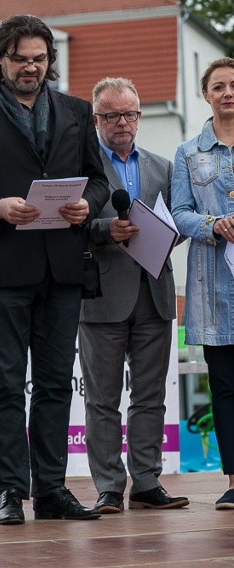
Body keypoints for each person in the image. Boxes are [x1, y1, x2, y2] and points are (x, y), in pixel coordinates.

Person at [0, 14, 109, 525]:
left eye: (39, 59)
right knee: (6, 386)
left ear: (49, 62)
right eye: (20, 59)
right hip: (3, 271)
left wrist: (87, 203)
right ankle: (11, 492)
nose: (31, 68)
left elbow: (98, 182)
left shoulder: (78, 111)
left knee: (57, 384)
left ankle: (53, 489)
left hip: (63, 270)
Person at [79, 77, 188, 514]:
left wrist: (168, 235)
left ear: (140, 116)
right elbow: (68, 226)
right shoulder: (82, 168)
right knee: (101, 399)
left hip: (155, 293)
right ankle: (108, 486)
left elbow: (178, 223)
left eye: (129, 114)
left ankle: (146, 481)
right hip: (102, 295)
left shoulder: (164, 167)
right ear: (96, 120)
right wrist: (107, 230)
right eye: (111, 115)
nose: (122, 123)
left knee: (150, 397)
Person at [171, 56, 234, 511]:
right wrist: (214, 223)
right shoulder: (188, 153)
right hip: (214, 289)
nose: (228, 92)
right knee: (226, 387)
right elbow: (178, 213)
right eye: (219, 86)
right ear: (205, 94)